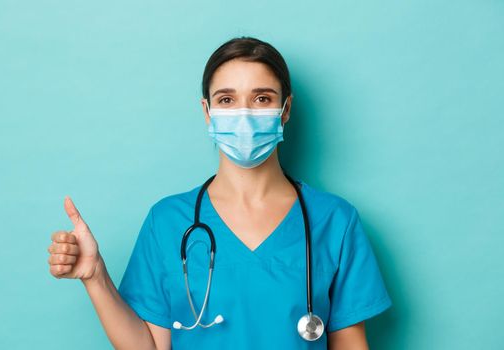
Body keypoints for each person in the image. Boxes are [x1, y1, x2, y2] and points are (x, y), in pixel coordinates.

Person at [47, 36, 392, 349]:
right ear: (207, 112)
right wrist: (95, 277)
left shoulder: (334, 221)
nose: (244, 115)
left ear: (285, 110)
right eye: (227, 99)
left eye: (262, 98)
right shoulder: (168, 221)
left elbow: (350, 344)